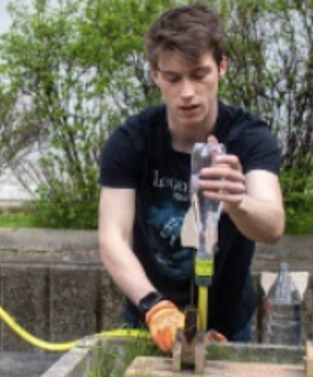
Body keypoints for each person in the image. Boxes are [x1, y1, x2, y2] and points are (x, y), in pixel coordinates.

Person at [98, 3, 284, 353]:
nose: (187, 92)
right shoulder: (131, 140)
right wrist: (155, 309)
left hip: (227, 329)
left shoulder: (249, 137)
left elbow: (272, 225)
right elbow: (112, 238)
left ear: (222, 67)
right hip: (149, 319)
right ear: (155, 74)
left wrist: (237, 201)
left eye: (199, 75)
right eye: (173, 78)